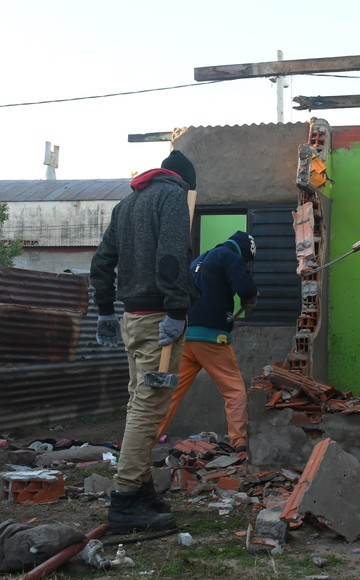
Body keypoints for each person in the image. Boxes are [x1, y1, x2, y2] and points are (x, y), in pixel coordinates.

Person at [90, 149, 198, 535]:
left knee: (141, 401)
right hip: (160, 322)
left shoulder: (127, 203)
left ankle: (141, 489)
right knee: (148, 409)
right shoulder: (173, 195)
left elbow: (102, 261)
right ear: (183, 181)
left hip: (133, 320)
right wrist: (176, 307)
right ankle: (123, 502)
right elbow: (171, 255)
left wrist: (104, 309)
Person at [155, 231, 258, 452]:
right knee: (235, 390)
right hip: (212, 338)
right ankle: (239, 442)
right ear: (244, 251)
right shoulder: (229, 256)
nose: (245, 263)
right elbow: (246, 287)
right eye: (247, 260)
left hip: (186, 335)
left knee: (171, 394)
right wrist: (251, 297)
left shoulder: (199, 260)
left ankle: (144, 440)